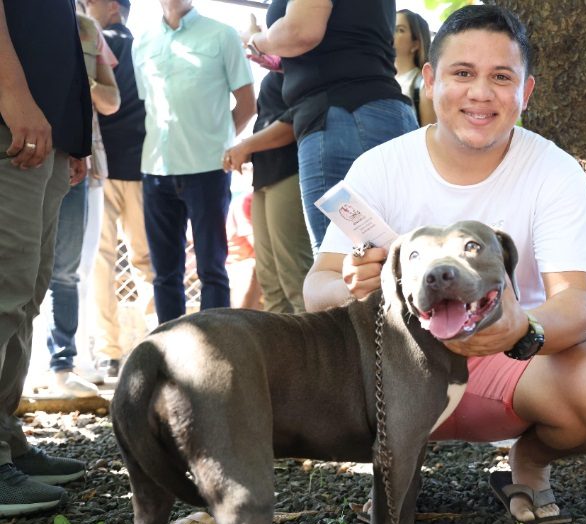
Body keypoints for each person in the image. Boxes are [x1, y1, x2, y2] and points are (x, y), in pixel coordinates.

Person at [303, 5, 586, 524]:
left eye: (501, 77)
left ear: (526, 94)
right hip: (395, 364)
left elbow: (577, 302)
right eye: (463, 73)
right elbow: (316, 287)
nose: (480, 93)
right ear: (431, 81)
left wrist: (522, 329)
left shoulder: (555, 170)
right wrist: (351, 285)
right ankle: (395, 466)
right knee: (317, 360)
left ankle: (525, 465)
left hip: (502, 362)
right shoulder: (380, 165)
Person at [0, 0, 92, 516]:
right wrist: (12, 95)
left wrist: (75, 134)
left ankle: (7, 444)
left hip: (48, 132)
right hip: (13, 118)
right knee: (3, 292)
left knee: (25, 296)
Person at [246, 0, 419, 251]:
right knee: (403, 257)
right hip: (372, 111)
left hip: (344, 116)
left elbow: (300, 32)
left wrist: (256, 39)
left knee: (340, 262)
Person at [133, 0, 255, 323]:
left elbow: (247, 105)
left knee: (212, 269)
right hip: (156, 172)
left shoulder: (222, 35)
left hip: (208, 170)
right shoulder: (142, 42)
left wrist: (219, 144)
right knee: (164, 273)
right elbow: (151, 106)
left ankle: (214, 357)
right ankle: (170, 358)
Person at [45, 9, 121, 398]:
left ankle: (64, 364)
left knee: (70, 271)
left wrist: (80, 79)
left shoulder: (87, 28)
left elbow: (111, 100)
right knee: (28, 269)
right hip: (26, 155)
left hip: (82, 162)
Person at [84, 0, 153, 377]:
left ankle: (109, 352)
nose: (84, 6)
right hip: (142, 165)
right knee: (147, 262)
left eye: (90, 1)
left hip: (104, 167)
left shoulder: (95, 44)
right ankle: (154, 342)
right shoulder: (146, 45)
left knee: (102, 263)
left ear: (112, 5)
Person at [223, 70, 313, 314]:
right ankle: (280, 350)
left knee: (293, 274)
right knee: (269, 279)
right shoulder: (274, 74)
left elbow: (293, 122)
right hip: (264, 175)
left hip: (289, 171)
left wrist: (246, 146)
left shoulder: (304, 68)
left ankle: (315, 348)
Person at [394, 9, 436, 126]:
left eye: (399, 30)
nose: (391, 33)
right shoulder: (383, 80)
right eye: (390, 26)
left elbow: (428, 134)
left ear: (415, 44)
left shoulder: (423, 84)